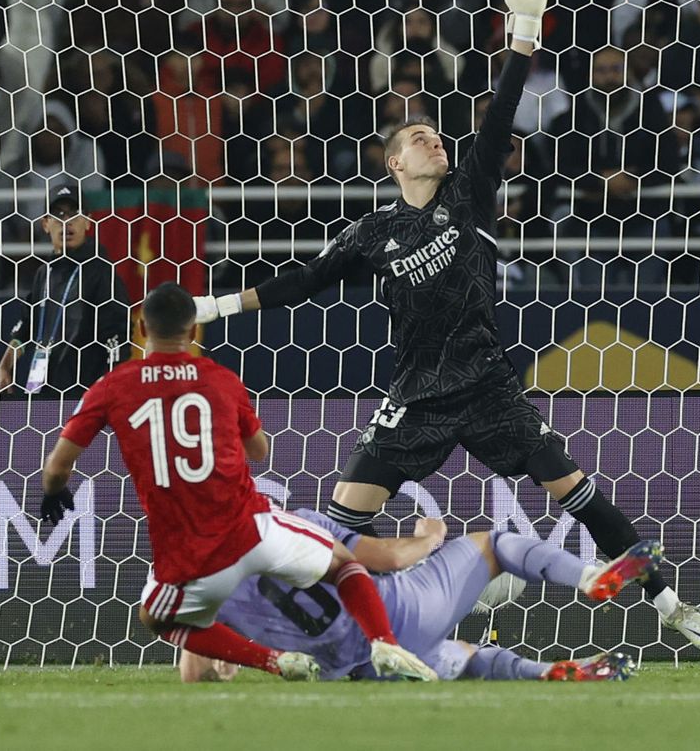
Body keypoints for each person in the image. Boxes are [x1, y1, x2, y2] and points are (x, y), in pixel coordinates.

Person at [192, 0, 700, 651]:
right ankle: (317, 626)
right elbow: (302, 282)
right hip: (415, 396)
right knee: (338, 528)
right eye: (418, 137)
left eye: (436, 133)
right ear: (394, 163)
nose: (433, 139)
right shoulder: (372, 230)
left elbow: (501, 112)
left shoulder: (468, 194)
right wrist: (217, 308)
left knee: (578, 488)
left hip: (486, 385)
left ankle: (667, 602)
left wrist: (525, 32)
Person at [37, 281, 437, 683]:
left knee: (155, 617)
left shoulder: (112, 387)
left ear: (141, 327)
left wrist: (54, 491)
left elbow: (57, 466)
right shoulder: (221, 379)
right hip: (252, 531)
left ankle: (273, 661)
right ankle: (384, 643)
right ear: (193, 331)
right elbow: (259, 450)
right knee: (344, 564)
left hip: (191, 558)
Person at [179, 508, 657, 683]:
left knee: (468, 658)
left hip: (358, 670)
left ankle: (545, 673)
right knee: (494, 545)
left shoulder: (205, 578)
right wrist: (428, 538)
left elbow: (191, 662)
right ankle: (589, 578)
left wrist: (238, 660)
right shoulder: (296, 524)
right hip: (399, 613)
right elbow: (387, 559)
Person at [0, 183, 132, 396]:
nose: (66, 222)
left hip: (83, 395)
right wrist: (5, 365)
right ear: (45, 224)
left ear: (88, 222)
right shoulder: (44, 273)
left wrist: (111, 388)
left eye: (74, 214)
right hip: (41, 391)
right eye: (58, 215)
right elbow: (26, 326)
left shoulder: (101, 271)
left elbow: (117, 336)